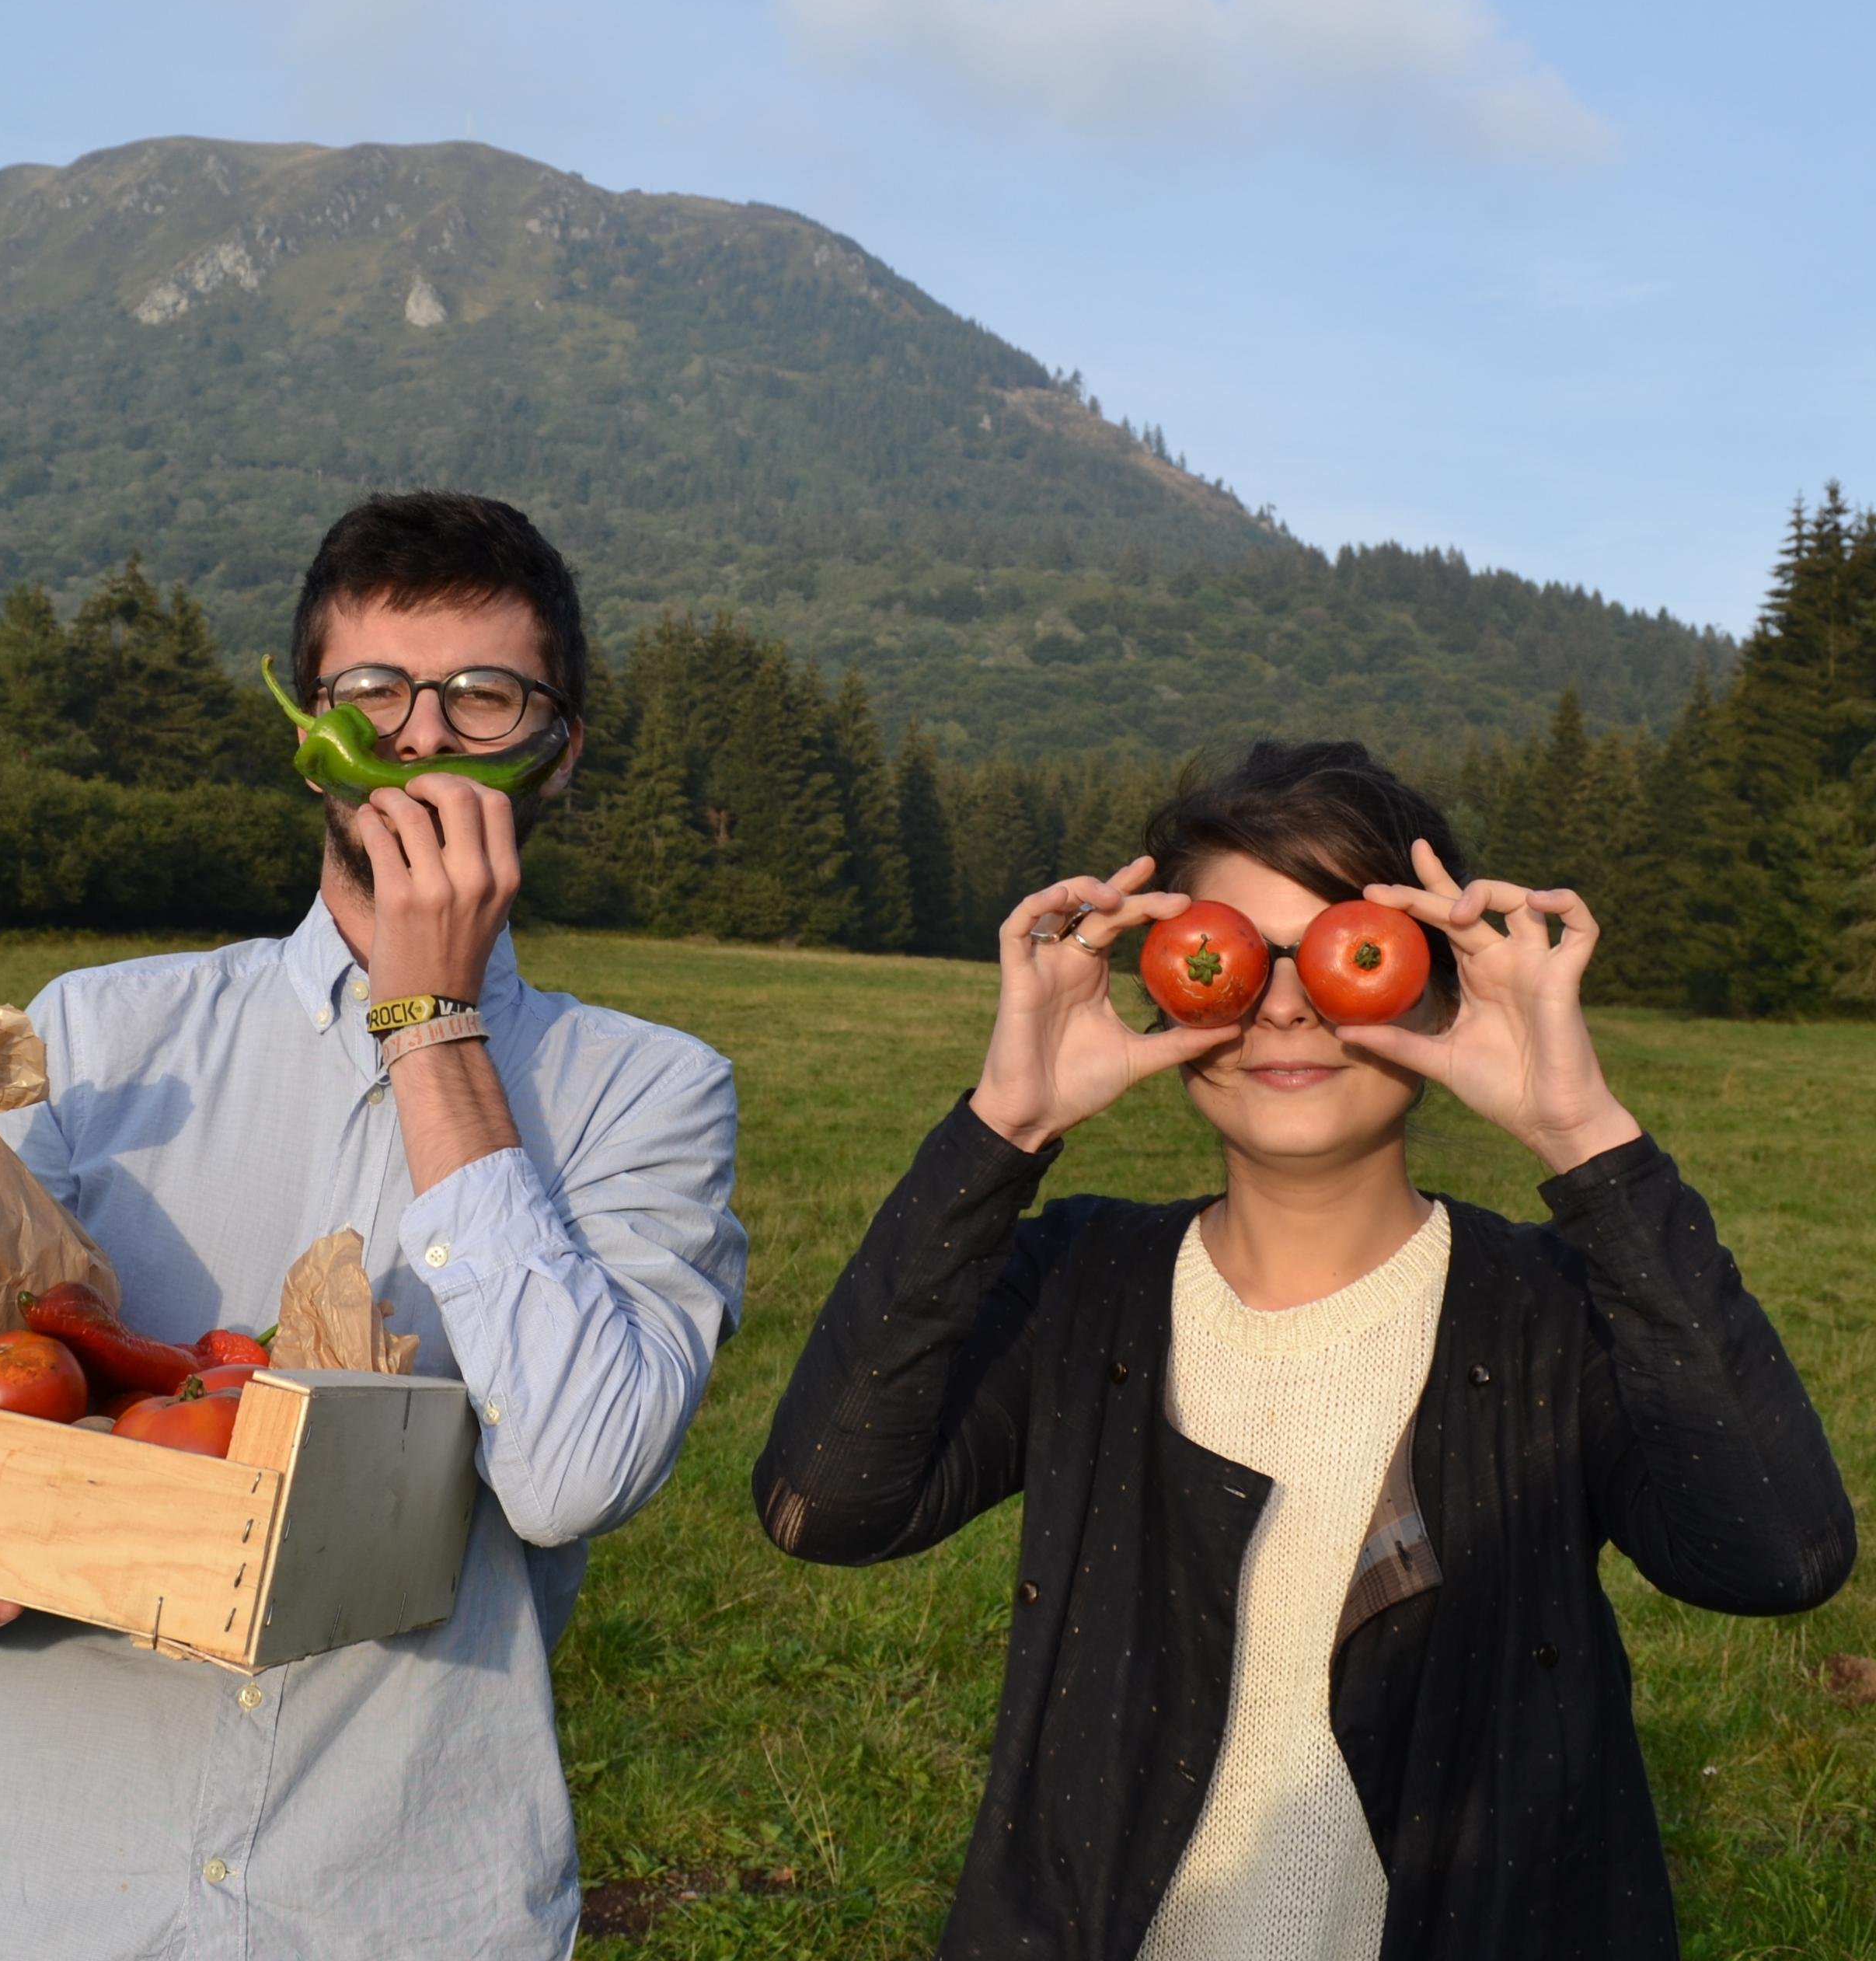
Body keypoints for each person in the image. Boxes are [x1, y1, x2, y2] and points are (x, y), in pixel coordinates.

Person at [0, 490, 748, 1960]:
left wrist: (430, 1023)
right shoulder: (96, 1037)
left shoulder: (650, 1094)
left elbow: (571, 1476)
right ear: (311, 732)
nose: (421, 737)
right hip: (12, 1899)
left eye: (484, 696)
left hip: (404, 1911)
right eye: (374, 693)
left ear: (560, 753)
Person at [753, 739, 1853, 1961]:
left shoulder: (1554, 1314)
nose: (1282, 1004)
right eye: (1228, 958)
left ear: (1441, 990)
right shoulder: (1081, 1287)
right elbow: (826, 1507)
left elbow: (1777, 1558)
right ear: (1166, 989)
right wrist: (1003, 1127)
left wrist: (1585, 1134)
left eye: (1344, 958)